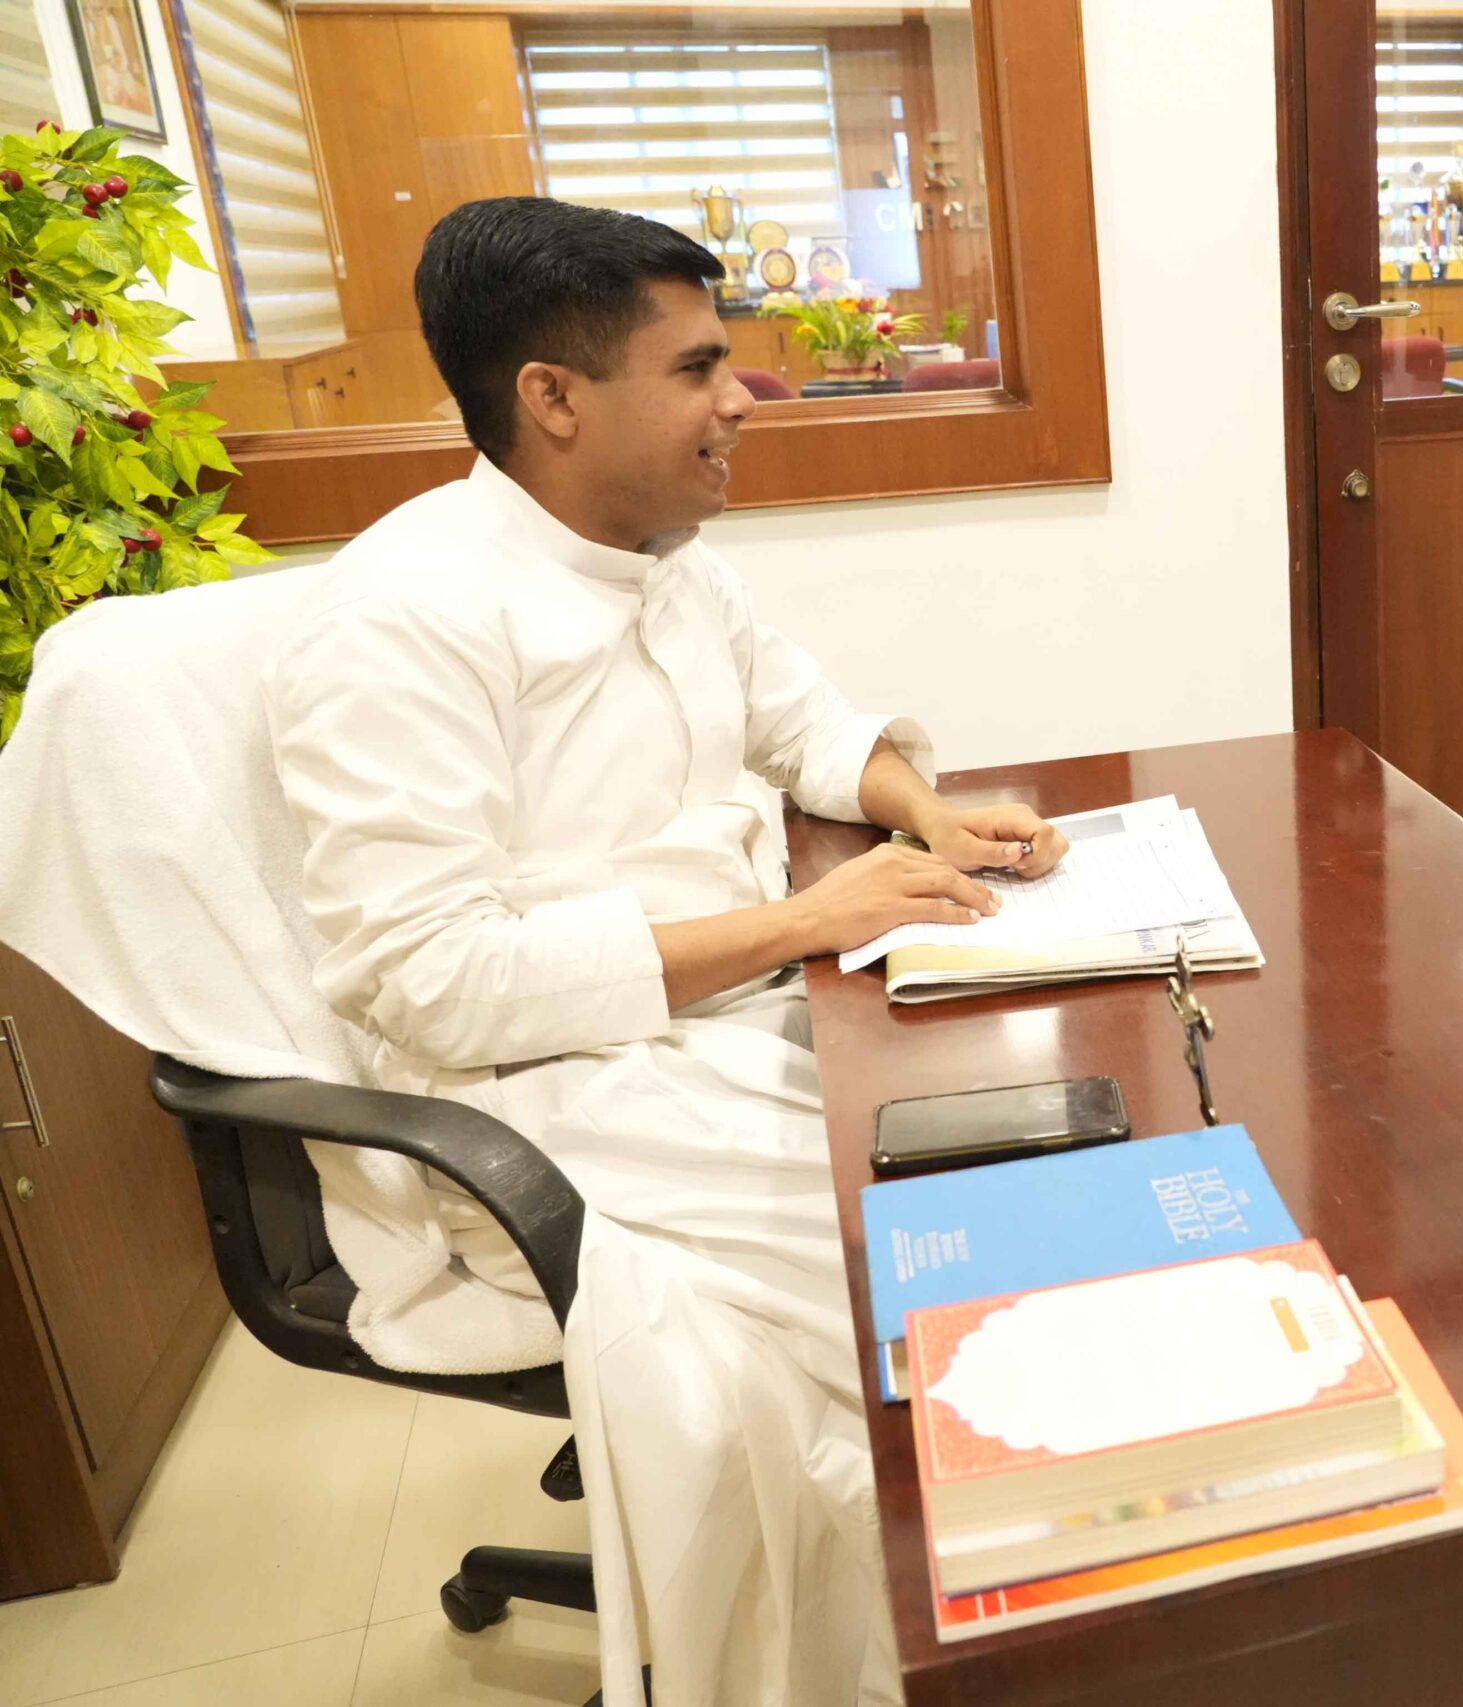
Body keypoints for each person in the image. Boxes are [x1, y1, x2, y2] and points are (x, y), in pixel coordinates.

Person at [260, 197, 1063, 1705]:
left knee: (1024, 1152)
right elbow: (432, 980)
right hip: (536, 1087)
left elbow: (804, 724)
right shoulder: (398, 623)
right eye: (696, 368)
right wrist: (809, 919)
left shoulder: (665, 552)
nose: (742, 397)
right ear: (553, 398)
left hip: (732, 1015)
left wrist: (927, 813)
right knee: (944, 1290)